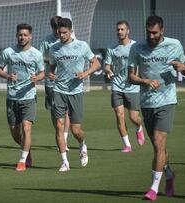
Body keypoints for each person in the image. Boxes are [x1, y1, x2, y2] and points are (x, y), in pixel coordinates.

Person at [128, 15, 185, 200]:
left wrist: (182, 67)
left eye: (155, 32)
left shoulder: (174, 44)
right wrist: (145, 80)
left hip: (167, 100)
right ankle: (169, 174)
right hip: (147, 102)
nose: (151, 36)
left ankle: (153, 188)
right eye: (148, 32)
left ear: (162, 30)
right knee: (157, 147)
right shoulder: (137, 47)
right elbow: (130, 76)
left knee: (159, 140)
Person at [49, 18, 101, 172]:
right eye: (59, 32)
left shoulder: (82, 46)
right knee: (59, 126)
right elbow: (51, 68)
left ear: (71, 31)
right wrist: (51, 74)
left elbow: (97, 64)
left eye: (65, 32)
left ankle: (82, 144)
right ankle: (64, 162)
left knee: (75, 130)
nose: (62, 35)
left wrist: (85, 74)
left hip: (76, 92)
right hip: (59, 90)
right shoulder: (54, 48)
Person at [0, 23, 45, 172]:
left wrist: (37, 78)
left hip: (29, 97)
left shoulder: (36, 54)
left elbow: (42, 72)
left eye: (25, 35)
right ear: (16, 36)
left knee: (26, 128)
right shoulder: (8, 52)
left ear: (30, 36)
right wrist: (7, 76)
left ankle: (22, 161)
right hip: (12, 97)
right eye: (20, 35)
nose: (22, 37)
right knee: (15, 133)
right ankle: (27, 150)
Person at [104, 20, 144, 153]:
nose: (119, 32)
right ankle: (127, 145)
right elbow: (107, 65)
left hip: (133, 87)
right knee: (119, 115)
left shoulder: (136, 47)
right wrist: (108, 71)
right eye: (118, 30)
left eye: (122, 29)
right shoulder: (111, 48)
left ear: (128, 30)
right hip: (117, 86)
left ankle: (139, 127)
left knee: (133, 117)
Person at [40, 16, 71, 151]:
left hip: (66, 79)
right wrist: (53, 60)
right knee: (54, 110)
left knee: (66, 111)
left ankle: (63, 138)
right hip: (51, 80)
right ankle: (59, 132)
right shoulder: (47, 41)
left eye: (60, 29)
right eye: (56, 29)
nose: (58, 32)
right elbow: (40, 57)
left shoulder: (68, 39)